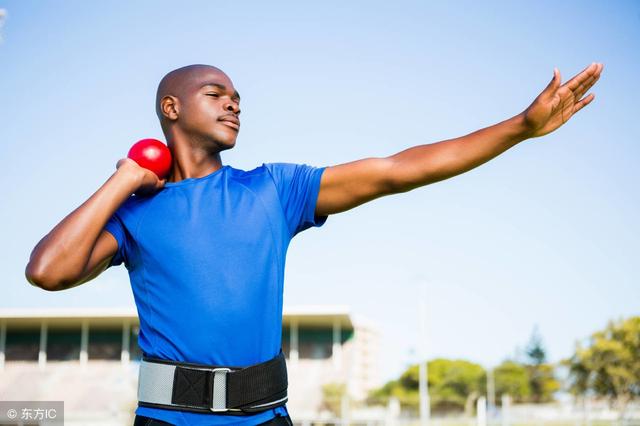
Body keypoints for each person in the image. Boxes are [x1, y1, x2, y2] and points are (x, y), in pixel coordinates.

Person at [25, 62, 603, 426]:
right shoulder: (136, 213)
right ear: (170, 109)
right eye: (215, 93)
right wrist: (124, 179)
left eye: (238, 98)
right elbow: (48, 271)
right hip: (168, 421)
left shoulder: (274, 189)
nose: (234, 103)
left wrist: (519, 128)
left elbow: (396, 170)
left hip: (266, 418)